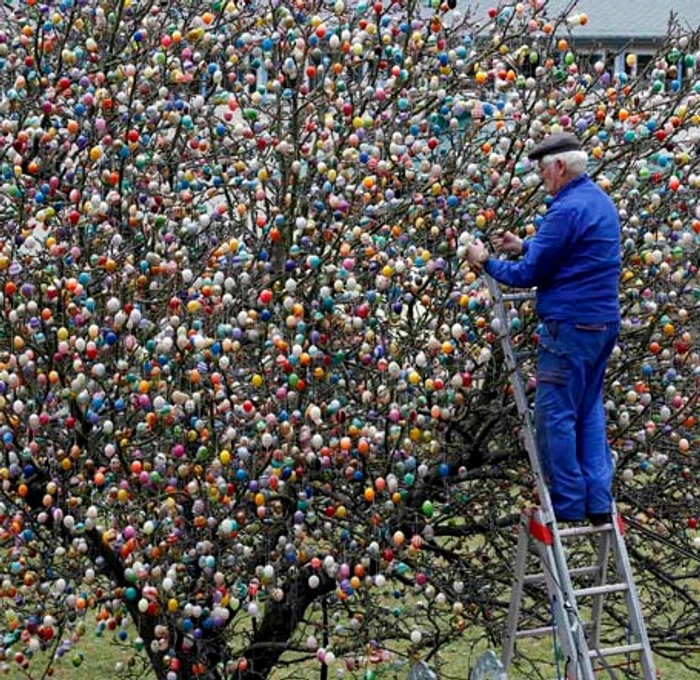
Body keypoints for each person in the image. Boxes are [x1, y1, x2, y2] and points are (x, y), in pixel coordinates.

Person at [466, 132, 621, 526]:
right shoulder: (599, 202)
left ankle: (568, 503)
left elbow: (532, 274)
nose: (541, 178)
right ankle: (598, 501)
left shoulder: (566, 209)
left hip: (570, 325)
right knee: (587, 410)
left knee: (555, 415)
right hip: (601, 323)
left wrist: (486, 263)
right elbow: (566, 255)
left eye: (542, 170)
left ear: (558, 166)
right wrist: (524, 245)